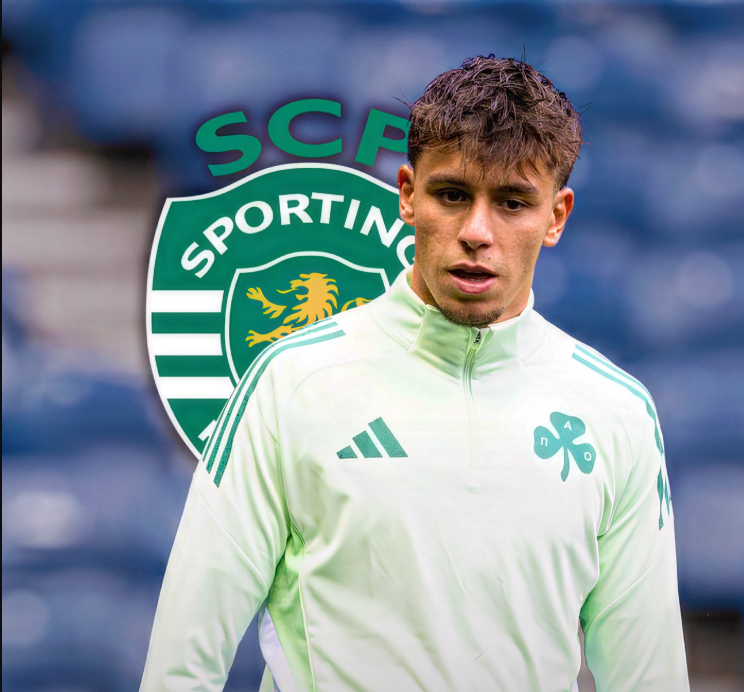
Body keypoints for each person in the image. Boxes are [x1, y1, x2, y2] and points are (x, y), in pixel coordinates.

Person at [140, 55, 689, 692]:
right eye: (452, 195)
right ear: (407, 194)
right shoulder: (292, 385)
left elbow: (649, 678)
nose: (476, 232)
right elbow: (183, 662)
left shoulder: (616, 413)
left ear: (556, 216)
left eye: (512, 203)